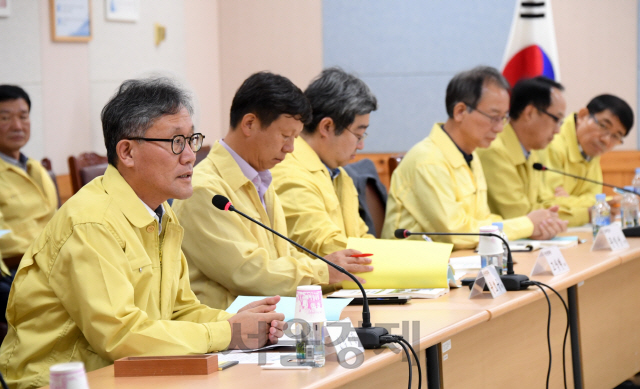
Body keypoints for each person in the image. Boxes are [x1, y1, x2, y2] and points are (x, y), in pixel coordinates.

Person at [0, 78, 286, 389]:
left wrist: (234, 322)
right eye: (176, 142)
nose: (190, 155)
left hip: (131, 375)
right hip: (62, 383)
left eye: (192, 140)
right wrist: (228, 333)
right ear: (127, 152)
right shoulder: (92, 223)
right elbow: (120, 336)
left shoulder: (162, 213)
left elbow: (179, 310)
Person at [173, 72, 373, 310]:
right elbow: (247, 272)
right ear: (249, 124)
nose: (290, 148)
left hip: (271, 323)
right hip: (228, 333)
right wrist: (323, 270)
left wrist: (331, 270)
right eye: (285, 136)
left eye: (295, 138)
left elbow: (285, 255)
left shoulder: (262, 180)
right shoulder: (205, 190)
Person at [381, 66, 567, 249]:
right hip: (414, 269)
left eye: (504, 117)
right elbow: (456, 232)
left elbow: (481, 220)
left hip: (458, 263)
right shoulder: (428, 160)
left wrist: (532, 226)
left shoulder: (471, 155)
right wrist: (526, 225)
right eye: (493, 116)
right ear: (460, 111)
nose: (500, 128)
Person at [271, 68, 376, 257]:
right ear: (327, 127)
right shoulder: (288, 171)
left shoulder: (339, 174)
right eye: (358, 135)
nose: (361, 145)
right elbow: (320, 245)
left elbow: (361, 237)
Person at [477, 76, 582, 223]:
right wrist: (587, 214)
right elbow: (522, 215)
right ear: (529, 113)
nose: (558, 130)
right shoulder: (494, 150)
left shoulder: (532, 152)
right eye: (556, 119)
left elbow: (542, 204)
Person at [540, 94, 634, 225]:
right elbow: (548, 204)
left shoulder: (591, 151)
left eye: (615, 136)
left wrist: (570, 200)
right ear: (583, 115)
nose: (606, 140)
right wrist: (587, 206)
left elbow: (594, 197)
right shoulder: (552, 143)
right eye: (603, 126)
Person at [0, 85, 57, 270]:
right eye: (5, 118)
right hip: (17, 266)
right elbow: (3, 238)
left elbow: (56, 218)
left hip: (52, 259)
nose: (17, 126)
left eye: (23, 117)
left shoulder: (35, 167)